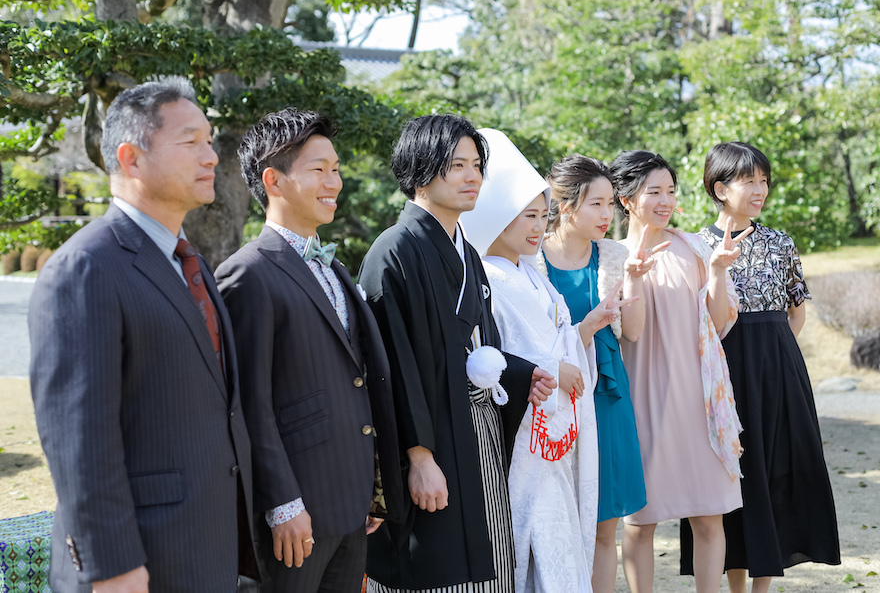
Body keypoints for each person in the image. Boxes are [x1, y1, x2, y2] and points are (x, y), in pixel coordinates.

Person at [29, 77, 257, 592]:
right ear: (131, 159)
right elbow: (78, 437)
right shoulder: (84, 268)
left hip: (205, 550)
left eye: (210, 140)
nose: (211, 156)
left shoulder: (189, 261)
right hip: (136, 565)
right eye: (191, 142)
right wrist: (112, 565)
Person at [357, 115, 557, 593]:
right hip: (429, 439)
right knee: (435, 567)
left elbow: (475, 345)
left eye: (477, 166)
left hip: (476, 428)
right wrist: (419, 457)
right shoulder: (393, 251)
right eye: (457, 165)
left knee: (489, 561)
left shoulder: (467, 253)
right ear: (421, 171)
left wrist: (518, 374)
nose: (473, 177)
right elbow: (391, 368)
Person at [215, 108, 404, 593]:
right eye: (319, 169)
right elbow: (248, 403)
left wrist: (373, 487)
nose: (334, 182)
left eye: (336, 169)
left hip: (351, 504)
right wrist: (282, 503)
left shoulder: (335, 268)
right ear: (274, 180)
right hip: (294, 513)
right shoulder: (247, 273)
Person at [461, 130, 630, 593]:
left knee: (560, 538)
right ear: (499, 218)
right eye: (528, 217)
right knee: (533, 540)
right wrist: (555, 370)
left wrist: (586, 330)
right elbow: (497, 354)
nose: (539, 227)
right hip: (524, 436)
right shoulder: (489, 277)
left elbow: (559, 341)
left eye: (542, 215)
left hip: (553, 433)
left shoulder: (529, 275)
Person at [695, 141, 841, 593]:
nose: (760, 189)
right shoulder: (696, 247)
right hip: (724, 374)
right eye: (749, 181)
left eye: (764, 181)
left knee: (777, 474)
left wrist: (776, 356)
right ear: (720, 188)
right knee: (733, 480)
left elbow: (796, 311)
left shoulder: (780, 242)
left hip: (779, 370)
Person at [608, 151, 746, 593]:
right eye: (654, 192)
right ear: (627, 200)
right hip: (640, 400)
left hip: (700, 402)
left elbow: (720, 323)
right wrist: (632, 276)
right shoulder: (610, 256)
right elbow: (630, 333)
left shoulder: (694, 247)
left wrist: (718, 272)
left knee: (709, 516)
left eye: (670, 191)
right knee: (640, 520)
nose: (666, 201)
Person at [535, 155, 653, 593]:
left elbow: (633, 332)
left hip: (606, 394)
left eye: (610, 204)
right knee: (560, 516)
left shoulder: (615, 255)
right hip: (553, 398)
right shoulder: (530, 256)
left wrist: (635, 280)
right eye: (596, 204)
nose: (608, 214)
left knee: (605, 523)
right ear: (566, 207)